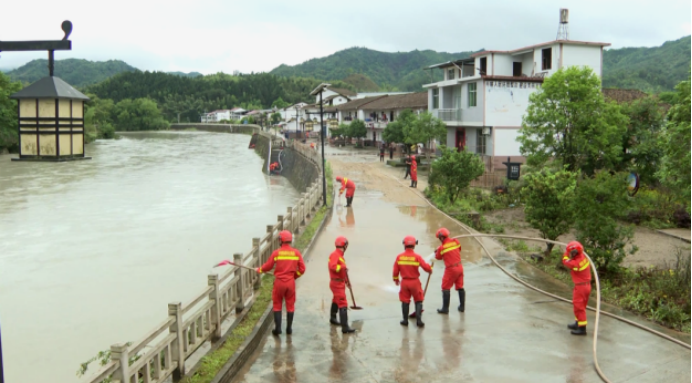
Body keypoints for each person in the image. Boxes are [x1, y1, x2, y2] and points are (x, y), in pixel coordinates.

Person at [256, 230, 306, 336]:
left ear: (281, 240)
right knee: (290, 305)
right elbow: (302, 269)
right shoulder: (296, 253)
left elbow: (268, 266)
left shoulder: (276, 253)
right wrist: (294, 276)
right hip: (290, 283)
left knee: (277, 305)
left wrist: (260, 270)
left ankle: (278, 329)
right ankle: (289, 329)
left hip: (279, 282)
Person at [393, 235, 432, 327]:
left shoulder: (399, 257)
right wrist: (430, 269)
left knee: (405, 301)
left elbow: (395, 270)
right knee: (418, 300)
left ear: (404, 245)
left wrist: (396, 279)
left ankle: (405, 320)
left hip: (404, 283)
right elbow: (426, 267)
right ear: (414, 245)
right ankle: (419, 321)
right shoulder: (417, 257)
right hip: (415, 282)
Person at [562, 241, 591, 336]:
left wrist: (566, 253)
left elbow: (565, 261)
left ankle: (582, 329)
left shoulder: (575, 263)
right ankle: (578, 323)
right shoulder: (582, 257)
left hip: (581, 287)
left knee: (579, 307)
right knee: (579, 306)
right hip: (586, 286)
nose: (570, 254)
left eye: (571, 253)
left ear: (575, 252)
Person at [328, 236, 356, 333]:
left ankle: (333, 318)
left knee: (336, 299)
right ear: (345, 246)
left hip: (339, 281)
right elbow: (333, 267)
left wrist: (347, 282)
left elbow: (342, 271)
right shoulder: (335, 255)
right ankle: (345, 327)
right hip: (336, 283)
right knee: (343, 303)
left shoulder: (339, 256)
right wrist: (342, 267)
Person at [434, 228, 465, 314]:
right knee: (460, 286)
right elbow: (459, 249)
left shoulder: (442, 248)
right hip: (460, 267)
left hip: (451, 269)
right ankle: (462, 307)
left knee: (445, 287)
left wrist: (437, 251)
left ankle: (445, 308)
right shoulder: (456, 241)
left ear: (441, 238)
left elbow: (438, 257)